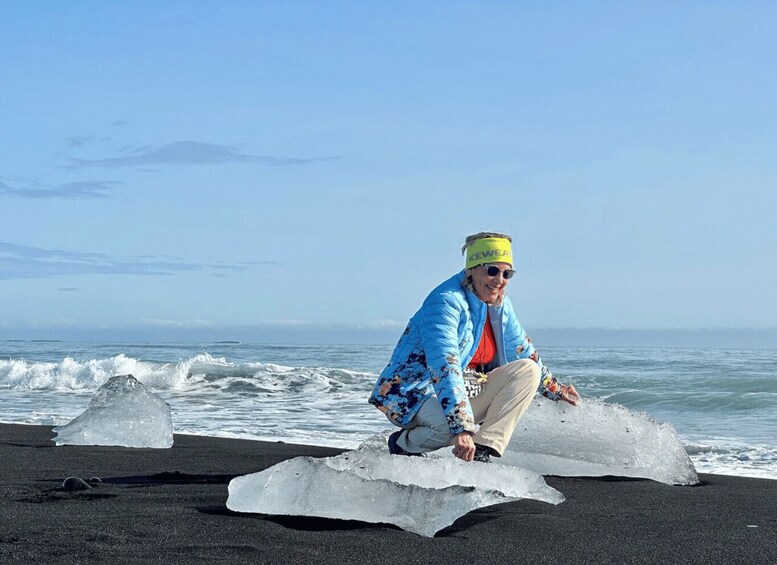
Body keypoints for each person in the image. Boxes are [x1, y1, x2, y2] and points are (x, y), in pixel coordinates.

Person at [368, 232, 579, 463]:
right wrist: (462, 427)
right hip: (412, 393)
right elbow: (444, 365)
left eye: (507, 274)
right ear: (472, 269)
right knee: (448, 429)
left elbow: (522, 349)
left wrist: (556, 389)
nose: (499, 280)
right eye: (492, 271)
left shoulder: (499, 304)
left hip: (466, 387)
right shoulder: (445, 302)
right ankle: (402, 444)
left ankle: (483, 448)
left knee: (528, 370)